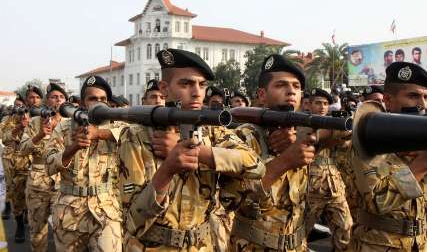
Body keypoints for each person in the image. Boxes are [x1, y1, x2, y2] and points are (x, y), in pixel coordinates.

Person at [118, 48, 264, 251]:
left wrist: (201, 153)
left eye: (202, 85)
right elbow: (133, 222)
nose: (196, 93)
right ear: (164, 89)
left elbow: (256, 165)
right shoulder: (137, 136)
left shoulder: (212, 133)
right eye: (186, 84)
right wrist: (167, 170)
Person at [229, 54, 316, 251]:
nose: (291, 91)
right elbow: (236, 202)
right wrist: (284, 161)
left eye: (296, 86)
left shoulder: (303, 135)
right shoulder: (242, 137)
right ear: (262, 95)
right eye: (281, 85)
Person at [351, 62, 427, 251]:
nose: (423, 104)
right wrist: (423, 163)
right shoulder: (367, 135)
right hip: (377, 245)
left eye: (426, 97)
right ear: (388, 100)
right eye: (413, 96)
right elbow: (376, 202)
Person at [44, 76, 124, 251]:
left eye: (103, 99)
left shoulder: (116, 125)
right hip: (69, 212)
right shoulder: (64, 127)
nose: (98, 103)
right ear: (83, 102)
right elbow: (49, 165)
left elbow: (133, 132)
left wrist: (99, 134)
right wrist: (73, 147)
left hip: (106, 210)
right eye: (93, 99)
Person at [19, 83, 67, 252]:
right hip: (38, 184)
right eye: (54, 96)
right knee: (38, 232)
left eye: (61, 97)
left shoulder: (71, 124)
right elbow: (22, 150)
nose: (58, 100)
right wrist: (40, 134)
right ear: (47, 100)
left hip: (63, 185)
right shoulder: (35, 122)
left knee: (63, 231)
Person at [305, 88, 352, 251]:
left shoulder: (332, 124)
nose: (322, 107)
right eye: (318, 103)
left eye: (326, 104)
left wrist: (344, 132)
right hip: (308, 190)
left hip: (334, 189)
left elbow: (345, 144)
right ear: (308, 104)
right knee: (299, 234)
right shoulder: (301, 124)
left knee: (346, 231)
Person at [2, 85, 43, 242]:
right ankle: (19, 225)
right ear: (26, 99)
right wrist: (20, 126)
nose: (34, 100)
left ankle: (32, 221)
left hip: (38, 165)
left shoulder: (45, 116)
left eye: (37, 97)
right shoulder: (12, 117)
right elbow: (5, 139)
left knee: (35, 198)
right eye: (31, 97)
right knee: (18, 196)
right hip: (18, 163)